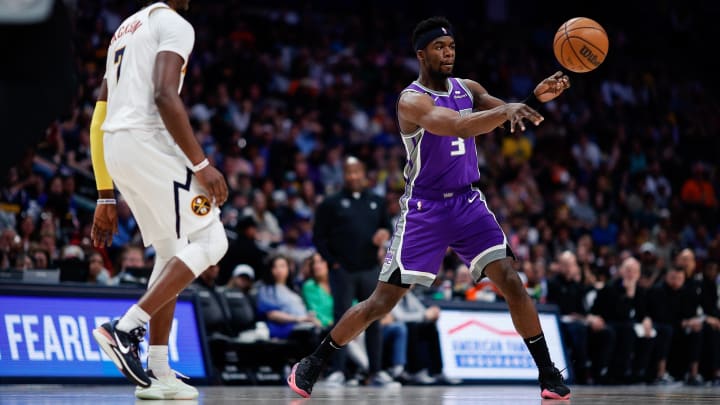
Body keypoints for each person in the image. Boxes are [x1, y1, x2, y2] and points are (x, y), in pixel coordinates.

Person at [288, 16, 571, 400]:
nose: (449, 53)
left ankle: (548, 374)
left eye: (452, 46)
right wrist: (508, 110)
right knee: (381, 302)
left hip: (469, 202)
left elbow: (506, 117)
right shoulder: (411, 100)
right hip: (426, 209)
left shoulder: (468, 87)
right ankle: (313, 362)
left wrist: (532, 100)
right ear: (421, 54)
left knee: (512, 281)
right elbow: (458, 125)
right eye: (440, 47)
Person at [89, 0, 229, 400]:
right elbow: (166, 95)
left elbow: (99, 118)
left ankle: (159, 370)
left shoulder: (124, 29)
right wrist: (201, 164)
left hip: (119, 147)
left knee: (171, 253)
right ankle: (125, 328)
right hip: (148, 141)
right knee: (213, 241)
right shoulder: (174, 24)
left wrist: (105, 193)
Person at [312, 156, 395, 386]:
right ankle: (337, 371)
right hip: (343, 270)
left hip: (369, 269)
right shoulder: (331, 203)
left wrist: (384, 235)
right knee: (341, 320)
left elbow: (387, 227)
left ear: (364, 173)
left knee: (374, 319)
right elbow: (318, 237)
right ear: (343, 175)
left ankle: (376, 372)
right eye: (348, 172)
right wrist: (333, 263)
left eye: (357, 172)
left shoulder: (376, 201)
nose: (353, 176)